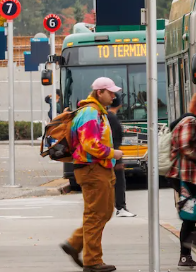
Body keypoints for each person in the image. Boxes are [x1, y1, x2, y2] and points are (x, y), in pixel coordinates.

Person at [59, 77, 124, 272]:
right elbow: (90, 144)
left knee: (104, 212)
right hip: (92, 168)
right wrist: (114, 153)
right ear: (99, 93)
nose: (114, 95)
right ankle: (92, 260)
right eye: (110, 92)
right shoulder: (90, 113)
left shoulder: (96, 112)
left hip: (99, 168)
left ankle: (75, 243)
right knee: (96, 214)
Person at [167, 92, 196, 271]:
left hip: (186, 174)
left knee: (195, 212)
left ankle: (195, 245)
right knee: (192, 214)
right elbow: (185, 146)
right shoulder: (191, 122)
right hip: (187, 174)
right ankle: (186, 255)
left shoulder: (189, 120)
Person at [106, 97, 136, 218]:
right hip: (114, 155)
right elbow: (114, 140)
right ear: (120, 104)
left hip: (111, 154)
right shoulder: (112, 118)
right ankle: (120, 207)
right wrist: (118, 160)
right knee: (119, 182)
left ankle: (117, 206)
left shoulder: (107, 116)